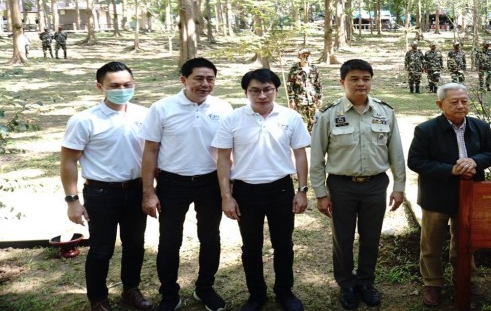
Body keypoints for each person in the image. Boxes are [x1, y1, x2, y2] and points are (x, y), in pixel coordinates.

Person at [309, 59, 406, 310]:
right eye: (354, 79)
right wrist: (321, 193)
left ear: (371, 81)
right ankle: (347, 284)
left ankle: (366, 282)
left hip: (375, 185)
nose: (361, 83)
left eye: (366, 78)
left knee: (371, 237)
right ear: (343, 82)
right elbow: (317, 158)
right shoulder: (328, 115)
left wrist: (399, 186)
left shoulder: (386, 112)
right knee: (342, 238)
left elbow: (396, 153)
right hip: (341, 186)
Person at [140, 57, 233, 311]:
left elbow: (229, 151)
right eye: (199, 78)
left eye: (210, 79)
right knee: (169, 240)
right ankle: (169, 293)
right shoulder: (162, 108)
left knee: (210, 238)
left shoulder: (224, 108)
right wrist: (148, 192)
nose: (205, 84)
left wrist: (229, 188)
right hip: (172, 183)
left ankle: (205, 288)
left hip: (210, 182)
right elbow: (150, 151)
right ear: (184, 80)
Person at [213, 69, 310, 311]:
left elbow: (300, 154)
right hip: (246, 192)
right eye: (255, 90)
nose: (262, 95)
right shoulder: (232, 119)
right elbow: (223, 159)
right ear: (246, 92)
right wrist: (227, 196)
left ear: (276, 90)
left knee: (284, 244)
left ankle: (285, 292)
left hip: (281, 190)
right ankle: (256, 294)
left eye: (268, 90)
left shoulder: (291, 117)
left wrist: (302, 190)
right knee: (251, 246)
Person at [60, 62, 153, 311]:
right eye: (115, 86)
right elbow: (69, 161)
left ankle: (130, 289)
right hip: (101, 193)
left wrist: (151, 191)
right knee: (101, 249)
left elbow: (153, 155)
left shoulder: (145, 115)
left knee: (135, 245)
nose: (122, 89)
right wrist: (73, 201)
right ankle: (98, 299)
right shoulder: (84, 120)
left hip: (136, 190)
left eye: (127, 85)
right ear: (100, 87)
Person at [407, 83, 491, 306]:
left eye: (464, 101)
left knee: (465, 241)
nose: (461, 106)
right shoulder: (426, 130)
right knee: (431, 243)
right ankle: (432, 283)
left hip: (470, 197)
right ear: (440, 104)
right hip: (436, 196)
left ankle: (465, 279)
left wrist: (474, 161)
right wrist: (450, 169)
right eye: (454, 102)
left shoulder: (480, 127)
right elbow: (415, 161)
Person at [287, 48, 322, 133]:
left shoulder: (314, 68)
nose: (306, 57)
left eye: (307, 55)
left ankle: (312, 139)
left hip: (312, 99)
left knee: (313, 121)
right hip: (299, 99)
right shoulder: (294, 69)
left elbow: (318, 84)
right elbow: (290, 85)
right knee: (299, 121)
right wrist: (291, 100)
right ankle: (301, 140)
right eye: (303, 55)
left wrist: (320, 98)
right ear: (299, 56)